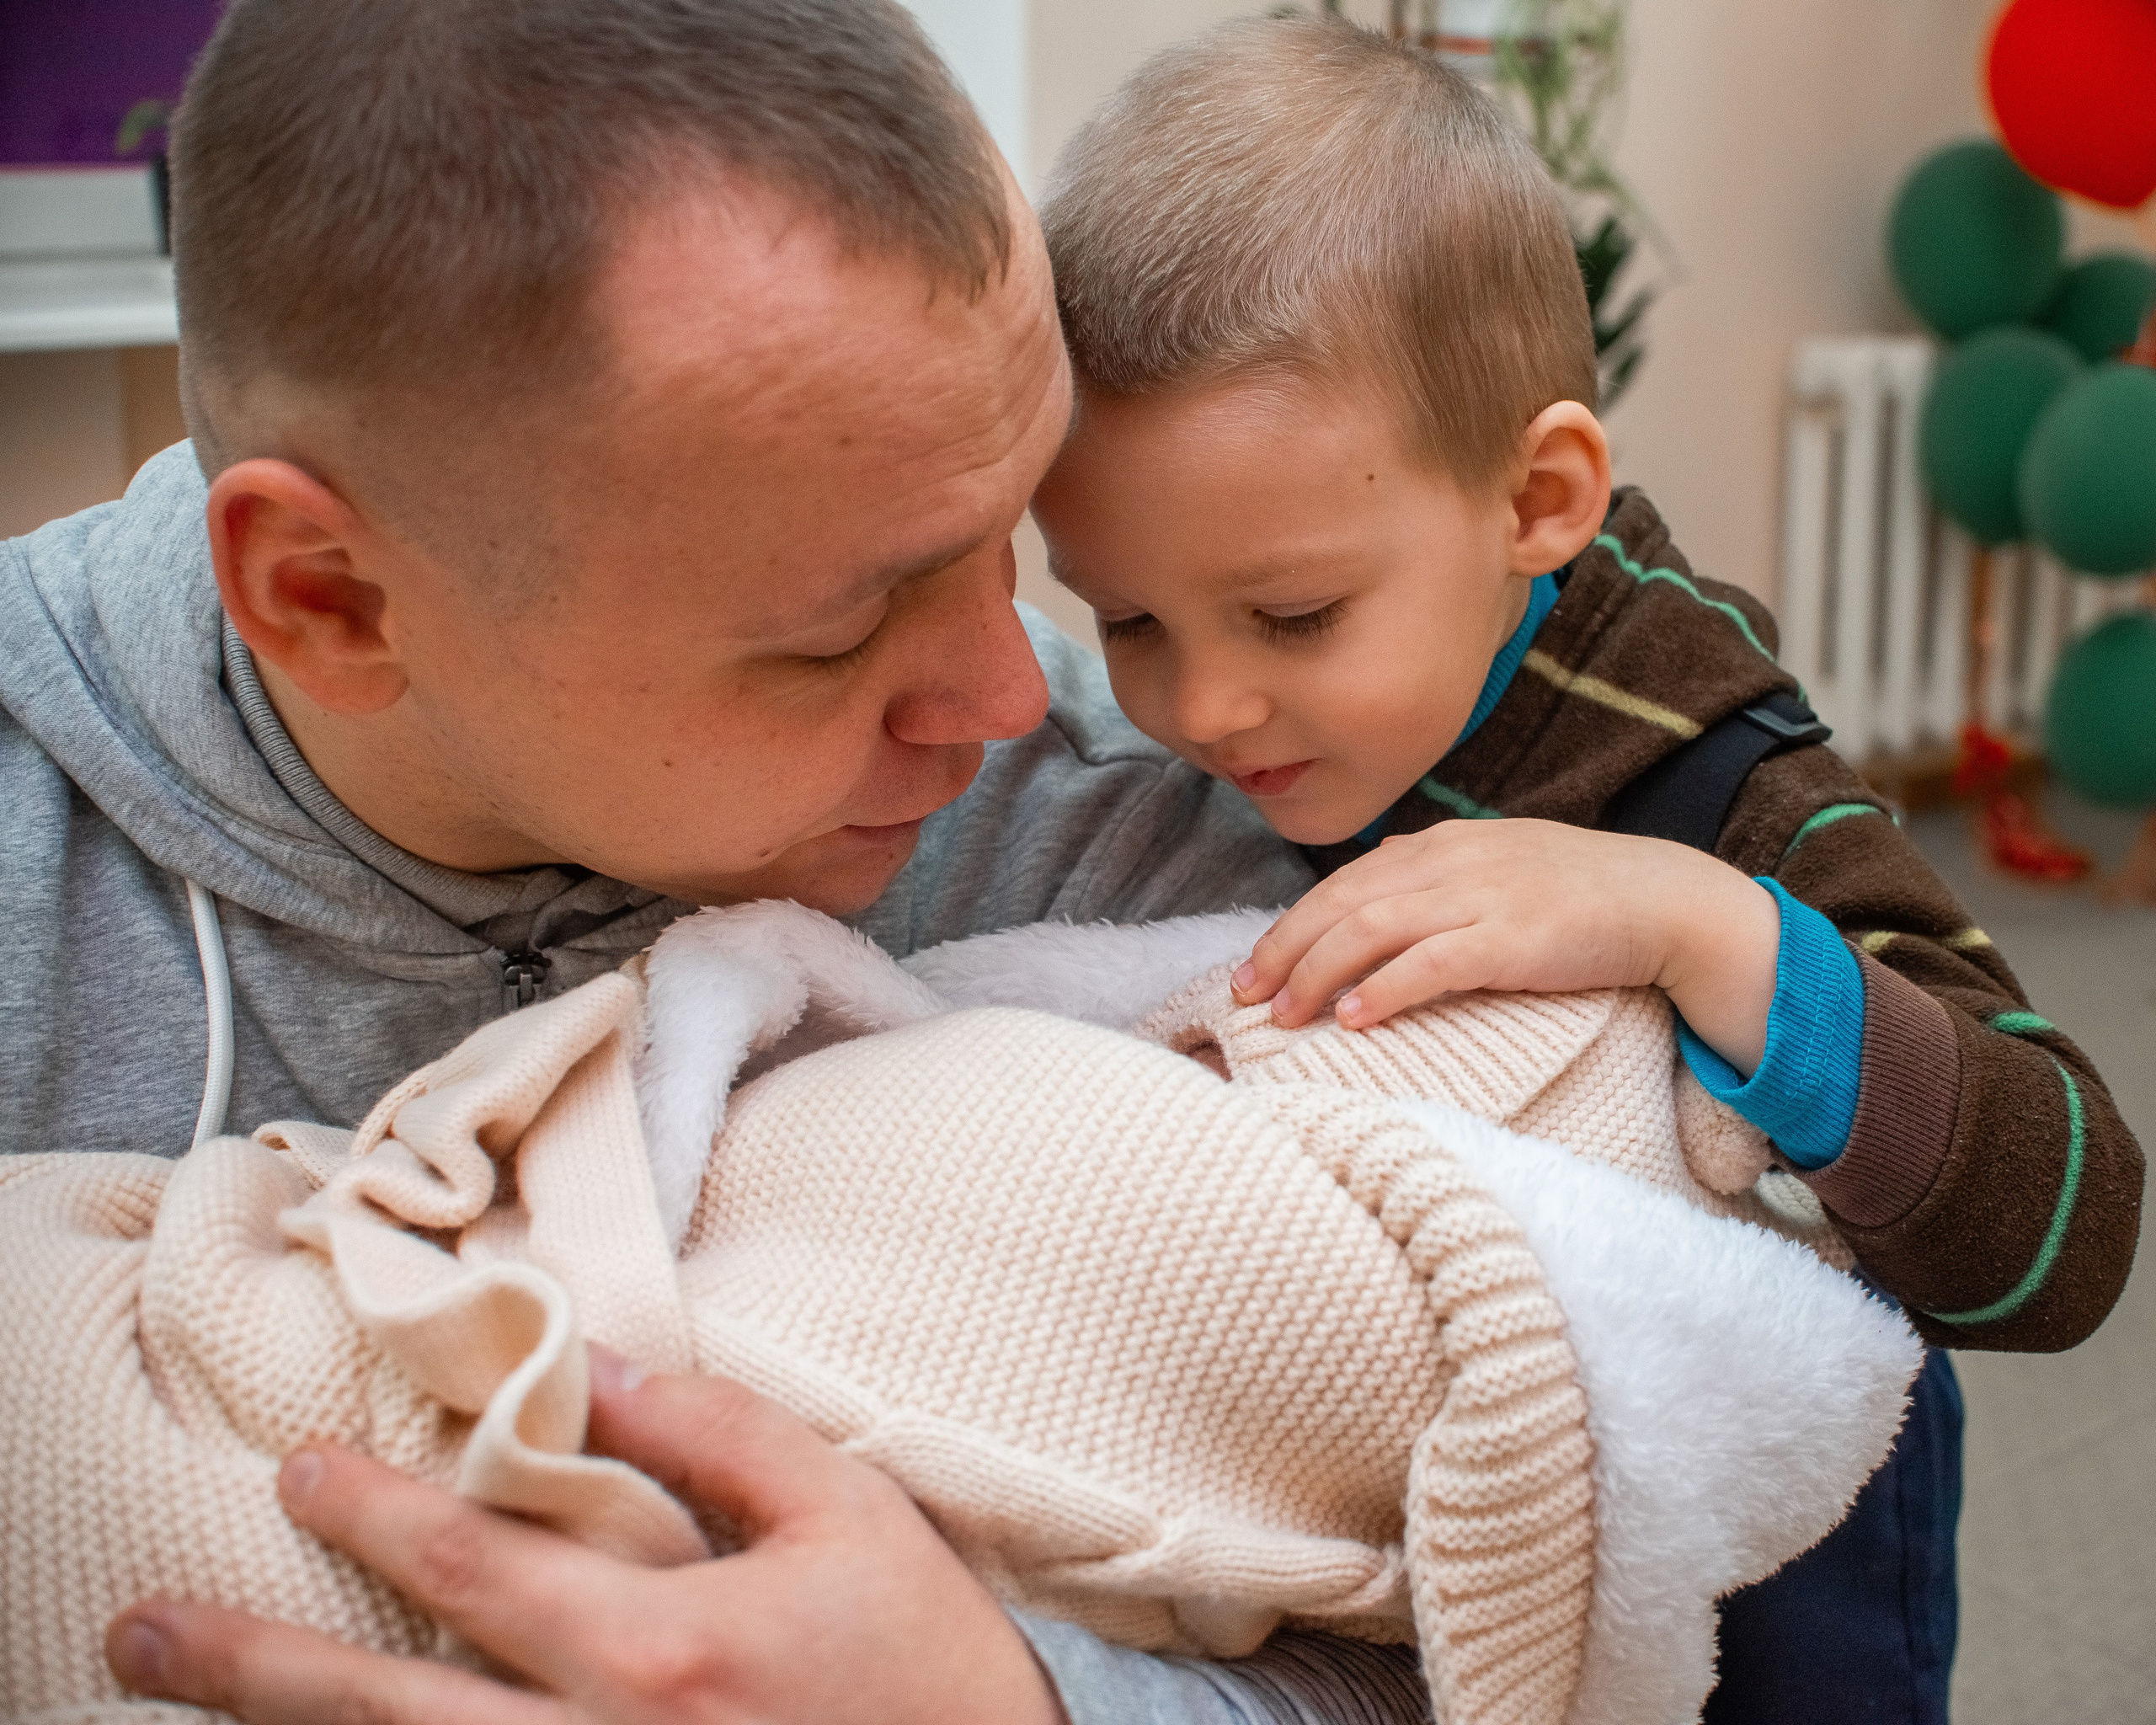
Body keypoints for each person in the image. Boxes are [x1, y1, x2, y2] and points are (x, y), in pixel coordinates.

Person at [0, 2, 1435, 1721]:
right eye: (836, 634)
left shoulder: (1119, 859)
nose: (1001, 690)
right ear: (332, 597)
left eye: (1010, 538)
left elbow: (1500, 1599)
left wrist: (1027, 1703)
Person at [1026, 19, 2143, 1724]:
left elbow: (2066, 1225)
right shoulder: (1220, 735)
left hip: (1776, 1572)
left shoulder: (1716, 778)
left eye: (1293, 616)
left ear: (1536, 498)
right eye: (1125, 617)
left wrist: (1694, 922)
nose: (1199, 702)